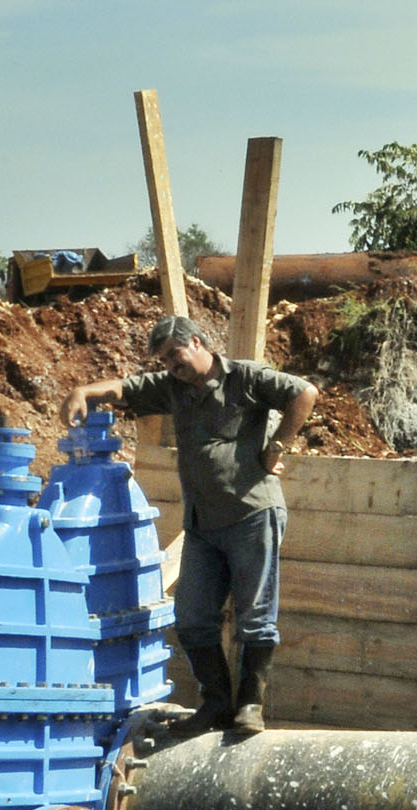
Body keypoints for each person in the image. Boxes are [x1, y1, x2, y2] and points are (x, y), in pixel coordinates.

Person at [61, 315, 317, 735]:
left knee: (255, 618)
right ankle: (216, 704)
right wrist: (82, 391)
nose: (170, 366)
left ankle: (250, 705)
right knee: (193, 617)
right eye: (163, 360)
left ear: (197, 343)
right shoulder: (173, 388)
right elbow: (125, 387)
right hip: (202, 525)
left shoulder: (245, 379)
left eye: (174, 356)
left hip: (252, 513)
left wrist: (277, 445)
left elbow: (305, 392)